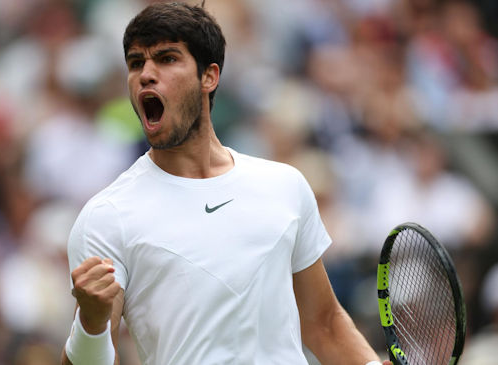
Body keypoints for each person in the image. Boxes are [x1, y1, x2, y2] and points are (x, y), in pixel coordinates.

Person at [62, 2, 392, 365]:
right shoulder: (107, 217)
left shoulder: (284, 186)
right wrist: (90, 324)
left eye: (167, 59)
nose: (146, 74)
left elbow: (325, 324)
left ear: (209, 76)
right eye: (136, 62)